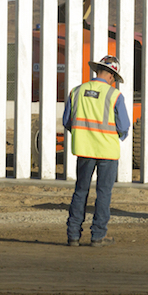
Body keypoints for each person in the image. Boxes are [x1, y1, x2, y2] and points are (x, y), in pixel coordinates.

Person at [63, 54, 130, 247]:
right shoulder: (114, 95)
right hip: (107, 152)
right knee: (103, 193)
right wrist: (115, 136)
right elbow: (123, 126)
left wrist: (85, 135)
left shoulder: (76, 92)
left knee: (80, 191)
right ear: (111, 76)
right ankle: (98, 235)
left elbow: (67, 121)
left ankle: (73, 235)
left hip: (84, 150)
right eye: (114, 80)